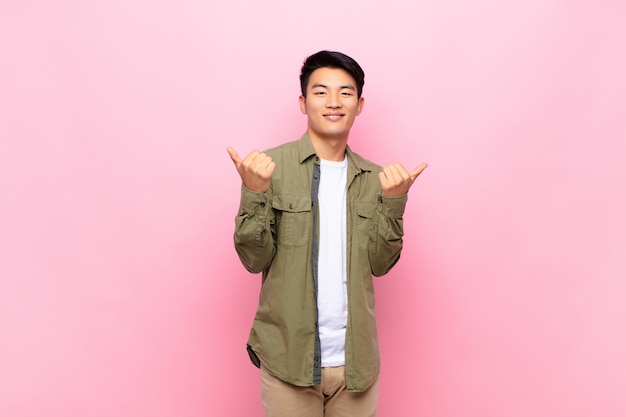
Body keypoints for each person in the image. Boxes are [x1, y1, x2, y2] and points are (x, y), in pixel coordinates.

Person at [226, 50, 427, 417]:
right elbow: (253, 260)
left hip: (356, 367)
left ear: (360, 104)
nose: (333, 102)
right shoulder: (270, 168)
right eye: (320, 92)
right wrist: (254, 192)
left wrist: (394, 201)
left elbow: (381, 265)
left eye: (345, 93)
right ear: (303, 103)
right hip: (289, 362)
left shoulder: (376, 179)